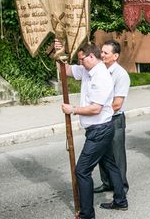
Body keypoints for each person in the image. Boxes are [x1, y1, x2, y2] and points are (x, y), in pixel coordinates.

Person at [56, 42, 127, 218]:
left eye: (82, 59)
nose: (80, 63)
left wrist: (72, 109)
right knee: (109, 163)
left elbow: (96, 108)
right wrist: (58, 53)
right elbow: (65, 70)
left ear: (91, 57)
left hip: (100, 130)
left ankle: (87, 214)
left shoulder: (101, 76)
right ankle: (120, 200)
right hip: (99, 129)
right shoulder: (87, 69)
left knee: (82, 170)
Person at [94, 40, 130, 195]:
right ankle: (107, 182)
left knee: (117, 155)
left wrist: (95, 110)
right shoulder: (99, 70)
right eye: (101, 52)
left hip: (114, 120)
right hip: (102, 119)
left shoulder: (121, 75)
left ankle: (121, 188)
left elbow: (117, 104)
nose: (102, 55)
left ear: (115, 56)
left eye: (105, 53)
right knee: (102, 153)